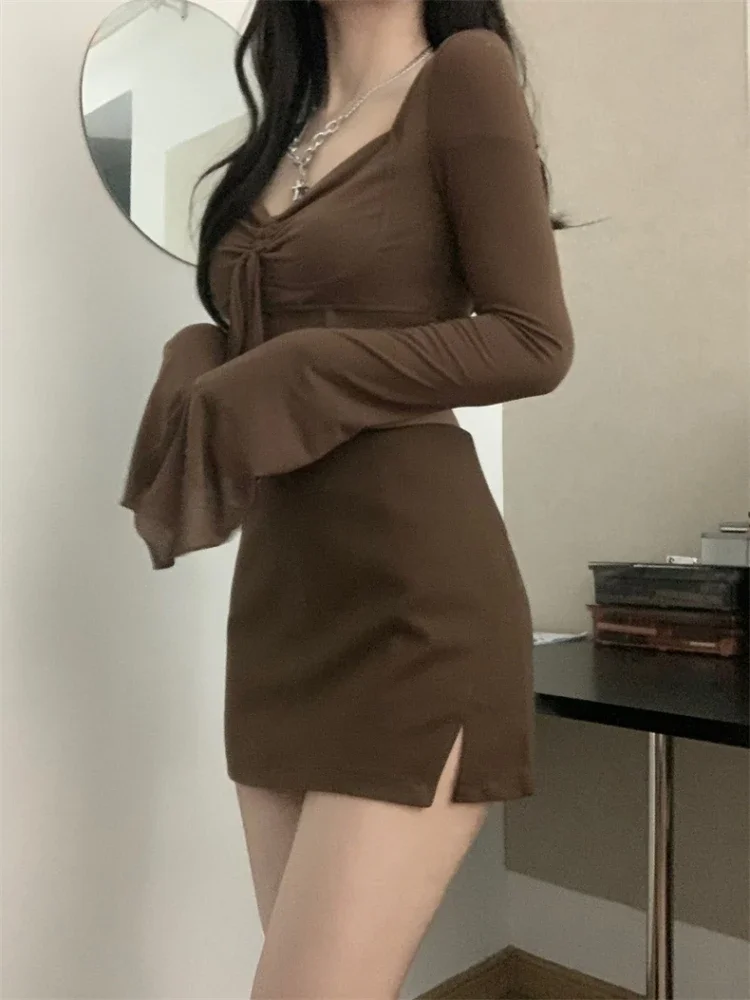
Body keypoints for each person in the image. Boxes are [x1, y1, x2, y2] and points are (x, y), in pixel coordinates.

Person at [120, 0, 575, 995]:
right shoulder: (283, 128)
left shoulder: (463, 73)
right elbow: (276, 329)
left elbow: (535, 340)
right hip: (281, 604)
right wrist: (204, 351)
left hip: (415, 601)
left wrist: (307, 366)